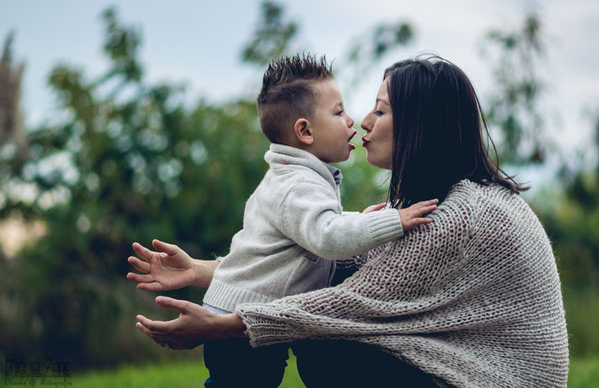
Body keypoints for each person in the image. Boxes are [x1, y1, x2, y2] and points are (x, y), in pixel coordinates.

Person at [131, 55, 569, 387]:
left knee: (332, 349)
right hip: (465, 368)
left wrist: (227, 323)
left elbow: (349, 303)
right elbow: (332, 269)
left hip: (500, 380)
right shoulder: (436, 200)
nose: (363, 122)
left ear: (419, 125)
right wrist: (205, 271)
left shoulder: (460, 216)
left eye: (381, 111)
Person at [128, 54, 437, 388]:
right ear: (304, 131)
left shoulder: (297, 178)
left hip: (245, 312)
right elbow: (328, 238)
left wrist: (354, 220)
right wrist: (393, 221)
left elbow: (309, 231)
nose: (353, 121)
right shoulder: (297, 184)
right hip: (239, 325)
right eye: (338, 112)